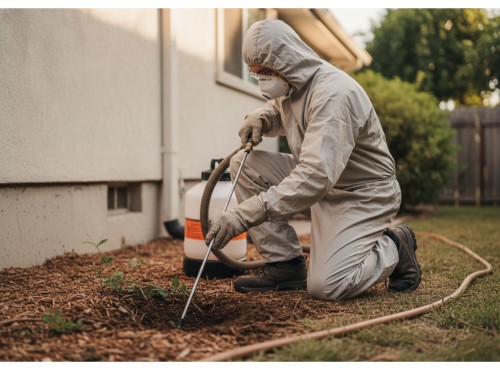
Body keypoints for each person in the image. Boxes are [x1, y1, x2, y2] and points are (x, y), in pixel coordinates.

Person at [205, 19, 421, 301]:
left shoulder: (334, 94)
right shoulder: (291, 83)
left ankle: (396, 244)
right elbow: (283, 109)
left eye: (267, 72)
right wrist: (262, 118)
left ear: (288, 60)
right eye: (255, 73)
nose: (262, 81)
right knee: (244, 165)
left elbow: (316, 176)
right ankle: (285, 265)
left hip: (361, 194)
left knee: (327, 285)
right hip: (324, 182)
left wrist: (245, 214)